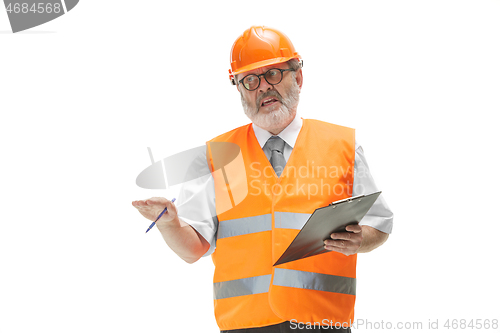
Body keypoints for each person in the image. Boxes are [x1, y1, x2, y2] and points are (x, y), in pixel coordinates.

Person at [132, 26, 393, 333]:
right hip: (245, 323)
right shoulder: (215, 157)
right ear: (239, 89)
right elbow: (192, 250)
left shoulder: (343, 145)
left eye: (273, 74)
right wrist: (169, 224)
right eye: (250, 80)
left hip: (322, 322)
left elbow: (380, 223)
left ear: (297, 77)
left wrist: (361, 239)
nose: (263, 88)